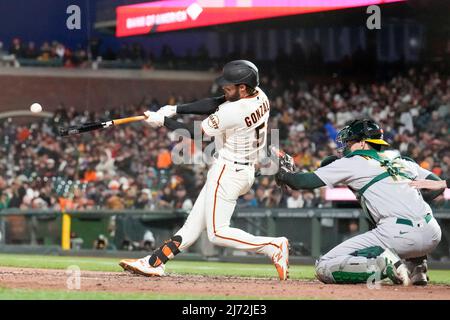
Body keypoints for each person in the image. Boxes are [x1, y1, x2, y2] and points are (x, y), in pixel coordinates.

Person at [119, 60, 289, 280]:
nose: (224, 90)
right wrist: (175, 109)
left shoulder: (234, 110)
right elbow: (215, 102)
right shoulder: (259, 95)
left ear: (243, 88)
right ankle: (154, 262)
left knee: (217, 233)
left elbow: (197, 132)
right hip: (241, 171)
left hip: (228, 171)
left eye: (229, 87)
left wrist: (163, 122)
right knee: (191, 227)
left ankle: (272, 246)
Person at [275, 119, 443, 286]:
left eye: (350, 141)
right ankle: (417, 269)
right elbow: (438, 185)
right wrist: (411, 198)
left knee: (324, 265)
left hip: (398, 234)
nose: (346, 146)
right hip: (432, 233)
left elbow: (302, 182)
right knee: (410, 220)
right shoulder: (402, 161)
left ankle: (383, 264)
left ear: (363, 143)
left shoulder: (353, 162)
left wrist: (283, 174)